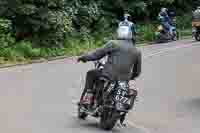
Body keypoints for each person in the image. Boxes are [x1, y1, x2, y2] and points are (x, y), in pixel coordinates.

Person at [77, 14, 142, 125]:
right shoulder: (136, 51)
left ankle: (88, 97)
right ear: (131, 33)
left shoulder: (113, 43)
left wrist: (84, 57)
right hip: (124, 80)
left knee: (91, 73)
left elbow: (96, 55)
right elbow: (137, 71)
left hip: (108, 75)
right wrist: (130, 77)